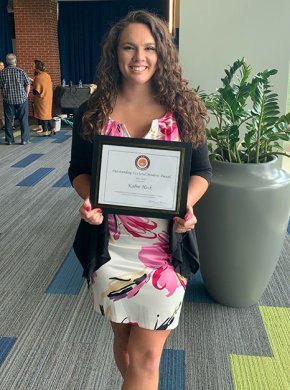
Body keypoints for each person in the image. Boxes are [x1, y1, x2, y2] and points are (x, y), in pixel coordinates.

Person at [68, 10, 212, 390]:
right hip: (110, 247)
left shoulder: (183, 109)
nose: (139, 57)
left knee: (148, 359)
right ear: (114, 53)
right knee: (126, 343)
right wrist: (90, 200)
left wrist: (187, 204)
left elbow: (202, 172)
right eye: (129, 47)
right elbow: (78, 171)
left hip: (164, 252)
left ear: (162, 53)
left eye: (149, 47)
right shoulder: (92, 112)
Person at [0, 53, 31, 145]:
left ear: (6, 62)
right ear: (15, 61)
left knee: (8, 120)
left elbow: (1, 87)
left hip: (8, 99)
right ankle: (24, 140)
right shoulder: (21, 71)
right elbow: (28, 84)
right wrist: (26, 94)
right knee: (23, 119)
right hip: (21, 99)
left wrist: (4, 95)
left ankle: (9, 140)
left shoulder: (2, 73)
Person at [32, 60, 55, 136]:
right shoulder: (47, 75)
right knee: (48, 114)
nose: (32, 67)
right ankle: (52, 128)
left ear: (37, 67)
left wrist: (32, 84)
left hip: (41, 99)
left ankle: (45, 131)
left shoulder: (38, 77)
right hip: (48, 97)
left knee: (43, 115)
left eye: (33, 65)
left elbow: (36, 91)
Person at [0, 61, 5, 130]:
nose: (2, 67)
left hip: (7, 93)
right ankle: (3, 124)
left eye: (3, 65)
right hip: (0, 94)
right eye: (0, 65)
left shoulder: (6, 73)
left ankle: (11, 125)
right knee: (1, 109)